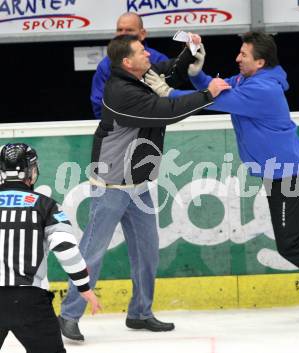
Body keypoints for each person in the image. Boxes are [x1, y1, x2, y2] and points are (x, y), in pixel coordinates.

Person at [147, 32, 299, 324]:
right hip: (281, 172)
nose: (237, 58)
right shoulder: (251, 80)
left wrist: (168, 94)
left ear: (260, 62)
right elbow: (218, 90)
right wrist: (198, 76)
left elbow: (212, 102)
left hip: (286, 174)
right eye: (239, 52)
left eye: (244, 55)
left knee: (291, 245)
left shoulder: (262, 89)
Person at [58, 34, 230, 341]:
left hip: (138, 185)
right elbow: (168, 110)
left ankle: (139, 312)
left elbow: (171, 69)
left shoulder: (142, 75)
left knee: (148, 252)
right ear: (127, 62)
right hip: (111, 185)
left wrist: (190, 50)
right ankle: (69, 315)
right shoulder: (121, 91)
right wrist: (208, 94)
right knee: (92, 253)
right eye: (141, 52)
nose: (148, 55)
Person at [0, 143, 101, 353]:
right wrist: (84, 287)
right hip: (29, 300)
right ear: (32, 171)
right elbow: (66, 248)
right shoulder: (46, 205)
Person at [91, 12, 169, 119]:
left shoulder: (159, 60)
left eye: (129, 30)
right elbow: (99, 102)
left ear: (142, 34)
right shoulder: (105, 65)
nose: (123, 34)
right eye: (119, 30)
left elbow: (170, 100)